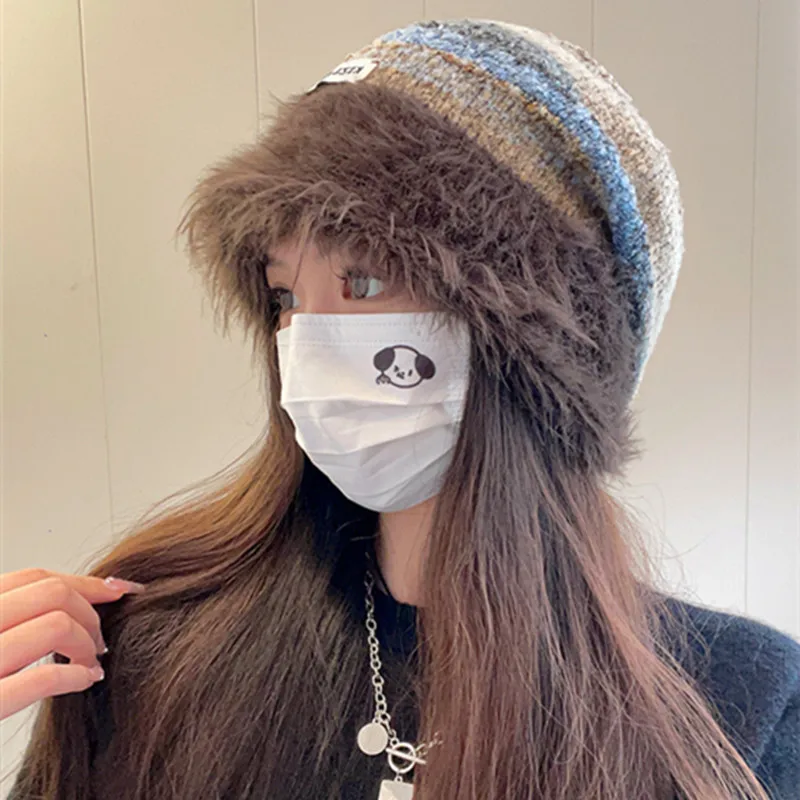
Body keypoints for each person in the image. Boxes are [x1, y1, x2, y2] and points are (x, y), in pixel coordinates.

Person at [2, 18, 798, 800]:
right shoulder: (157, 644)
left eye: (367, 280)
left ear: (536, 349)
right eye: (284, 296)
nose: (306, 341)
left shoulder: (737, 710)